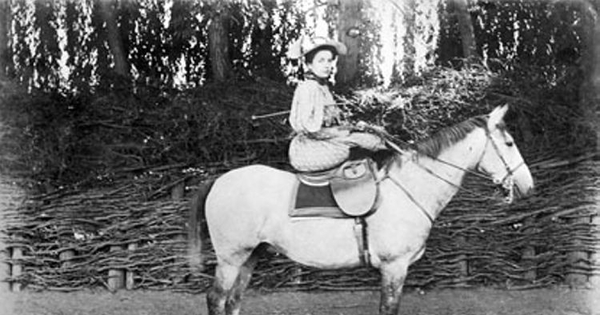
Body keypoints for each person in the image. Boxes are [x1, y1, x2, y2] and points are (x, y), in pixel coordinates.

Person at [286, 36, 387, 172]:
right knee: (370, 142)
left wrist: (353, 126)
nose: (327, 65)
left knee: (373, 138)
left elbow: (333, 119)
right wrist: (341, 133)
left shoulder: (323, 87)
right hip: (309, 148)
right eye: (321, 61)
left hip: (324, 139)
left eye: (329, 60)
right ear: (309, 65)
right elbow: (311, 130)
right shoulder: (308, 88)